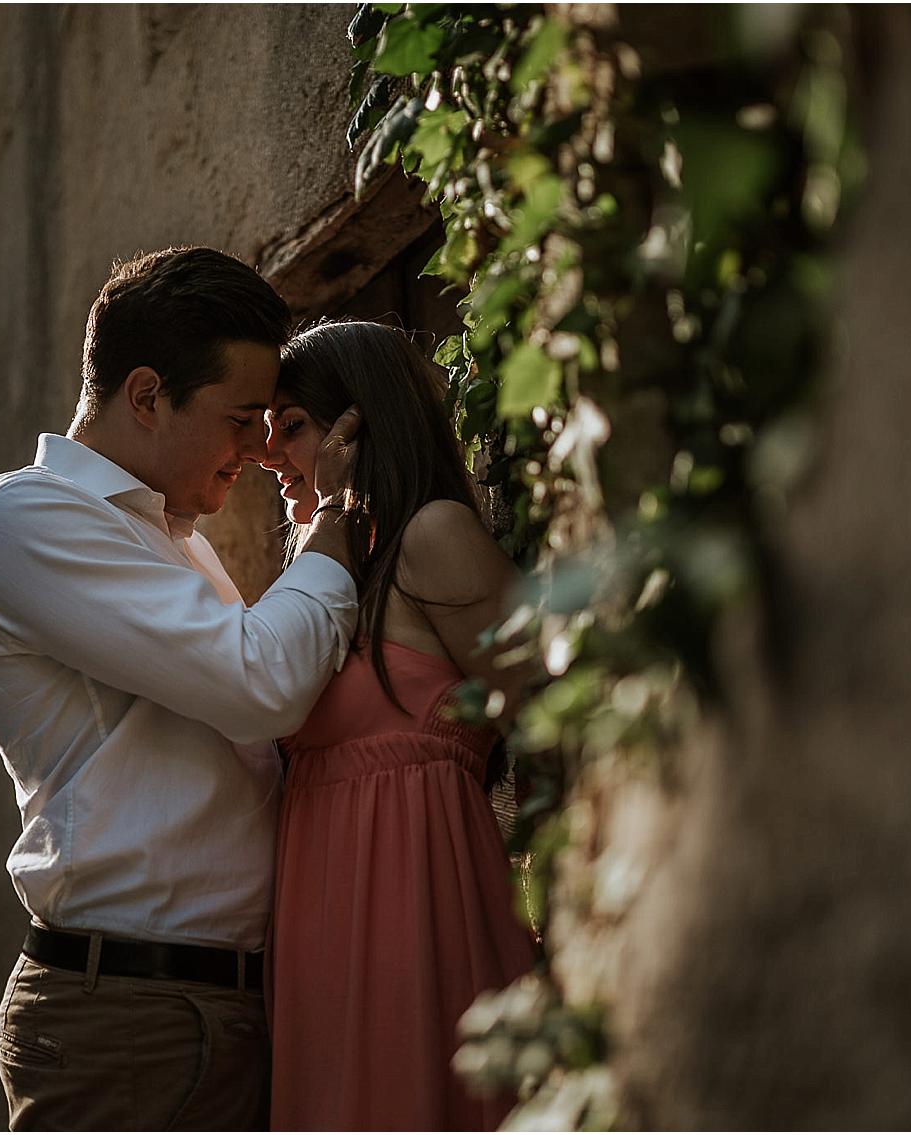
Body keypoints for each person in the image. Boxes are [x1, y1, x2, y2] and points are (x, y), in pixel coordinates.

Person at [0, 247, 363, 1131]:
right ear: (145, 395)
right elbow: (262, 682)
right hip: (133, 1015)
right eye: (241, 417)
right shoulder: (23, 518)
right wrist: (337, 521)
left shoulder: (178, 538)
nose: (257, 449)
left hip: (206, 1004)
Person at [259, 319, 538, 1131]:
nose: (269, 452)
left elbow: (554, 710)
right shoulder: (327, 575)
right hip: (322, 930)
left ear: (361, 423)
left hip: (421, 907)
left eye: (293, 426)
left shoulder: (432, 535)